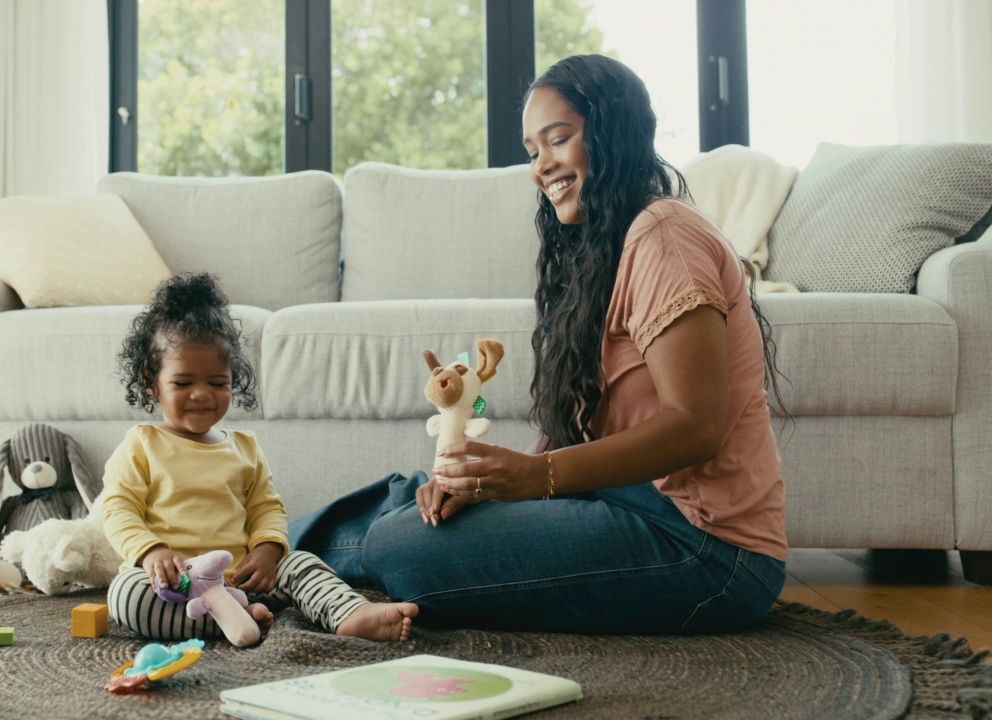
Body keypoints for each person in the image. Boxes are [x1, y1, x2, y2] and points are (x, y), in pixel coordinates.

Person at [295, 54, 788, 635]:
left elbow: (696, 425)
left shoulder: (663, 237)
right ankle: (260, 544)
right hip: (635, 502)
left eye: (558, 140)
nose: (540, 167)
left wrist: (535, 479)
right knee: (431, 494)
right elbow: (584, 441)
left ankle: (277, 554)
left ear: (612, 132)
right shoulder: (609, 245)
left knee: (403, 545)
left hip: (708, 550)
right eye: (533, 151)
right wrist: (499, 483)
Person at [100, 272, 417, 644]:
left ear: (234, 380)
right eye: (183, 383)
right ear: (151, 383)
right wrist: (150, 552)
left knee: (300, 563)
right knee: (125, 595)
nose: (201, 394)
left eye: (217, 383)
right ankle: (229, 620)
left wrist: (268, 551)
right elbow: (118, 507)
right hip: (173, 587)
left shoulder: (245, 448)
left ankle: (349, 612)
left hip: (241, 579)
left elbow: (267, 508)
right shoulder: (142, 445)